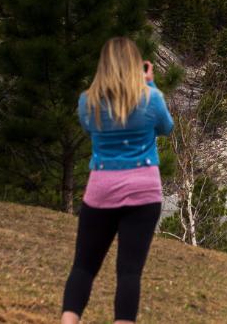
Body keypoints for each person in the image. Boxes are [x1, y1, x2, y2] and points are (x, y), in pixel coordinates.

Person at [61, 38, 174, 324]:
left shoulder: (88, 101)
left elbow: (90, 131)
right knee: (129, 271)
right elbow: (167, 127)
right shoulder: (150, 98)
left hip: (102, 187)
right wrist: (148, 86)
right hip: (144, 189)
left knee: (84, 267)